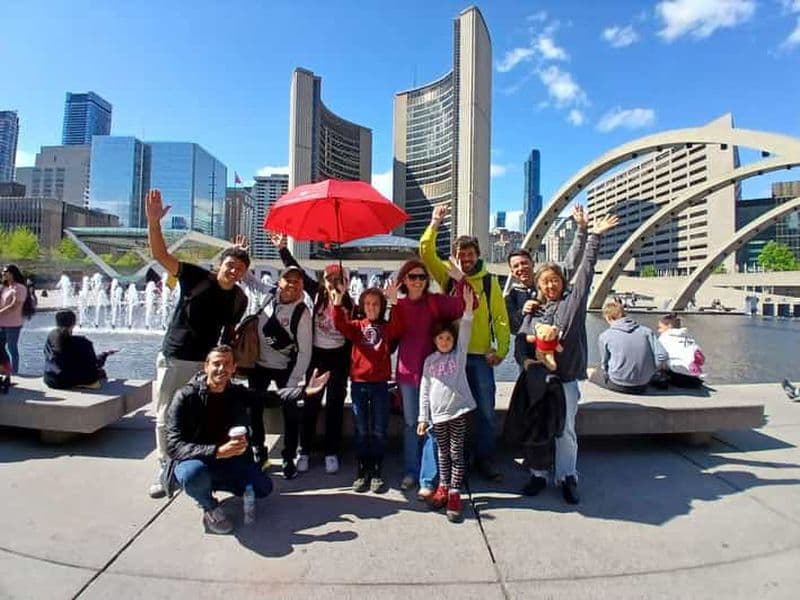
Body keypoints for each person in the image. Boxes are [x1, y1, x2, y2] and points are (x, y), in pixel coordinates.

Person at [145, 189, 250, 499]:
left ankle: (191, 462)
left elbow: (228, 335)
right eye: (230, 265)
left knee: (198, 417)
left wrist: (228, 365)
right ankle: (165, 468)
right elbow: (161, 256)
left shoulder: (239, 299)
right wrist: (154, 223)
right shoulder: (194, 276)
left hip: (207, 364)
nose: (234, 271)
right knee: (165, 415)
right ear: (220, 264)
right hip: (176, 357)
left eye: (240, 269)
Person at [163, 345, 331, 535]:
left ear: (234, 368)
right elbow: (174, 446)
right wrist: (217, 451)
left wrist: (304, 391)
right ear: (206, 366)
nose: (221, 369)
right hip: (197, 460)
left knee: (263, 488)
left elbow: (270, 397)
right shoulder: (185, 397)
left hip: (229, 460)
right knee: (193, 474)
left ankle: (216, 483)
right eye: (216, 364)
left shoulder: (235, 392)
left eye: (227, 364)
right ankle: (209, 506)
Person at [515, 212, 619, 504]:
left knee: (565, 430)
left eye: (555, 281)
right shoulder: (534, 311)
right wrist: (525, 361)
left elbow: (585, 270)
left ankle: (567, 476)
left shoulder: (572, 304)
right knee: (537, 428)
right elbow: (521, 343)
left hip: (565, 379)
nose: (550, 286)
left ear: (562, 283)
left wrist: (592, 236)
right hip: (537, 379)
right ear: (539, 285)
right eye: (545, 282)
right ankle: (537, 474)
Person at [420, 204, 510, 481]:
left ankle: (484, 460)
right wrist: (435, 223)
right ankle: (445, 464)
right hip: (449, 357)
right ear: (456, 258)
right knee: (444, 410)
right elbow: (425, 251)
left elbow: (501, 318)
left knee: (484, 411)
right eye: (461, 256)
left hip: (480, 356)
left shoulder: (488, 282)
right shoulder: (447, 277)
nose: (465, 260)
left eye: (470, 255)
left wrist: (502, 349)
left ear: (478, 255)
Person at [269, 232, 354, 476]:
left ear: (346, 281)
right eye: (329, 278)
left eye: (338, 278)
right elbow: (296, 271)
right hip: (317, 358)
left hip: (338, 360)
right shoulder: (317, 294)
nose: (333, 282)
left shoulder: (351, 306)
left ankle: (331, 452)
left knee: (336, 406)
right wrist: (283, 249)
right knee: (311, 404)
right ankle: (304, 450)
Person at [395, 258, 467, 498]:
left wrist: (460, 279)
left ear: (427, 281)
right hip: (407, 373)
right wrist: (390, 304)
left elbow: (467, 305)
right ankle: (411, 471)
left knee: (432, 427)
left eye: (421, 277)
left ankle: (428, 478)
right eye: (412, 277)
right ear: (404, 280)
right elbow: (391, 334)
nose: (417, 281)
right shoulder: (400, 305)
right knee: (411, 424)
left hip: (435, 375)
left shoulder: (435, 302)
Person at [332, 281, 404, 494]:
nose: (372, 307)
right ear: (362, 306)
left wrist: (395, 302)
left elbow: (399, 325)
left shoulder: (386, 328)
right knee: (362, 429)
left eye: (376, 304)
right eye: (367, 304)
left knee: (380, 430)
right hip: (359, 384)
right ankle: (362, 468)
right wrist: (338, 300)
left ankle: (377, 469)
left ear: (381, 306)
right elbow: (340, 324)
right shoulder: (357, 327)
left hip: (380, 384)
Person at [247, 265, 312, 478]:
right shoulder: (268, 295)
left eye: (297, 281)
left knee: (291, 413)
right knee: (253, 409)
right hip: (258, 365)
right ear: (279, 281)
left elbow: (304, 353)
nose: (291, 285)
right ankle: (259, 451)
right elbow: (249, 281)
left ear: (302, 285)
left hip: (285, 368)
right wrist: (239, 255)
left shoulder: (302, 313)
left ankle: (288, 456)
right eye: (288, 280)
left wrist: (294, 382)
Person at [418, 285, 476, 522]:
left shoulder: (458, 356)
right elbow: (424, 390)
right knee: (442, 452)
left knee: (456, 452)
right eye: (440, 338)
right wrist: (423, 417)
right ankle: (442, 485)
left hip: (458, 412)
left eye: (448, 338)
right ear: (435, 340)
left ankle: (454, 492)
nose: (444, 341)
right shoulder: (430, 361)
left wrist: (469, 310)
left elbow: (465, 330)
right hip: (438, 416)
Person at [504, 205, 588, 335]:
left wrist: (582, 229)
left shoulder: (551, 279)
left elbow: (573, 260)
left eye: (524, 263)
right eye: (516, 266)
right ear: (511, 271)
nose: (521, 268)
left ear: (533, 263)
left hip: (560, 348)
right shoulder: (511, 297)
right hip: (531, 351)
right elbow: (511, 328)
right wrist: (522, 312)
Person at [587, 301, 668, 394]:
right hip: (643, 384)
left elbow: (604, 364)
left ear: (608, 317)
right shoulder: (646, 331)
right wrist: (652, 370)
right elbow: (663, 355)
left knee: (590, 372)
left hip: (618, 383)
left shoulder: (605, 335)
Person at [43, 310, 117, 389]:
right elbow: (94, 364)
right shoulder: (82, 342)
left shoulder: (51, 338)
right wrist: (105, 354)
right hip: (67, 381)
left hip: (50, 379)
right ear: (74, 324)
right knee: (101, 372)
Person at [656, 313, 706, 388]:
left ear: (669, 326)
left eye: (660, 327)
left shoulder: (664, 338)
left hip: (679, 377)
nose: (658, 330)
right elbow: (701, 359)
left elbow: (660, 358)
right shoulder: (688, 337)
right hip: (695, 377)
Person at [0, 264, 28, 374]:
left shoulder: (20, 288)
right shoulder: (5, 288)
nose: (3, 273)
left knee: (12, 348)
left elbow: (15, 306)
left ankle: (14, 373)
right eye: (2, 271)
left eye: (5, 271)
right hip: (1, 322)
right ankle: (5, 368)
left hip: (13, 324)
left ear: (12, 273)